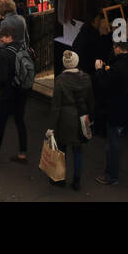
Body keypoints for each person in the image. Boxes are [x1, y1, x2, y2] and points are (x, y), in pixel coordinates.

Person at [95, 40, 128, 192]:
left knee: (113, 144)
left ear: (117, 48)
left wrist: (99, 70)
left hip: (117, 111)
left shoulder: (116, 68)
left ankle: (111, 176)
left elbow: (104, 85)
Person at [48, 50, 94, 191]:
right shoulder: (86, 78)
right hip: (82, 117)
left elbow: (56, 106)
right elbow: (90, 100)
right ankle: (77, 181)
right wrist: (90, 118)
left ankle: (60, 178)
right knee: (78, 150)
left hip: (65, 118)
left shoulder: (60, 80)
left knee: (61, 150)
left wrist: (52, 126)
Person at [0, 28, 31, 163]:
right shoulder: (24, 49)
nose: (1, 40)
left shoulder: (5, 54)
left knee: (1, 122)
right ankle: (22, 153)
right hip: (22, 91)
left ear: (9, 37)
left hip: (9, 92)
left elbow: (2, 78)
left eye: (3, 38)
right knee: (20, 121)